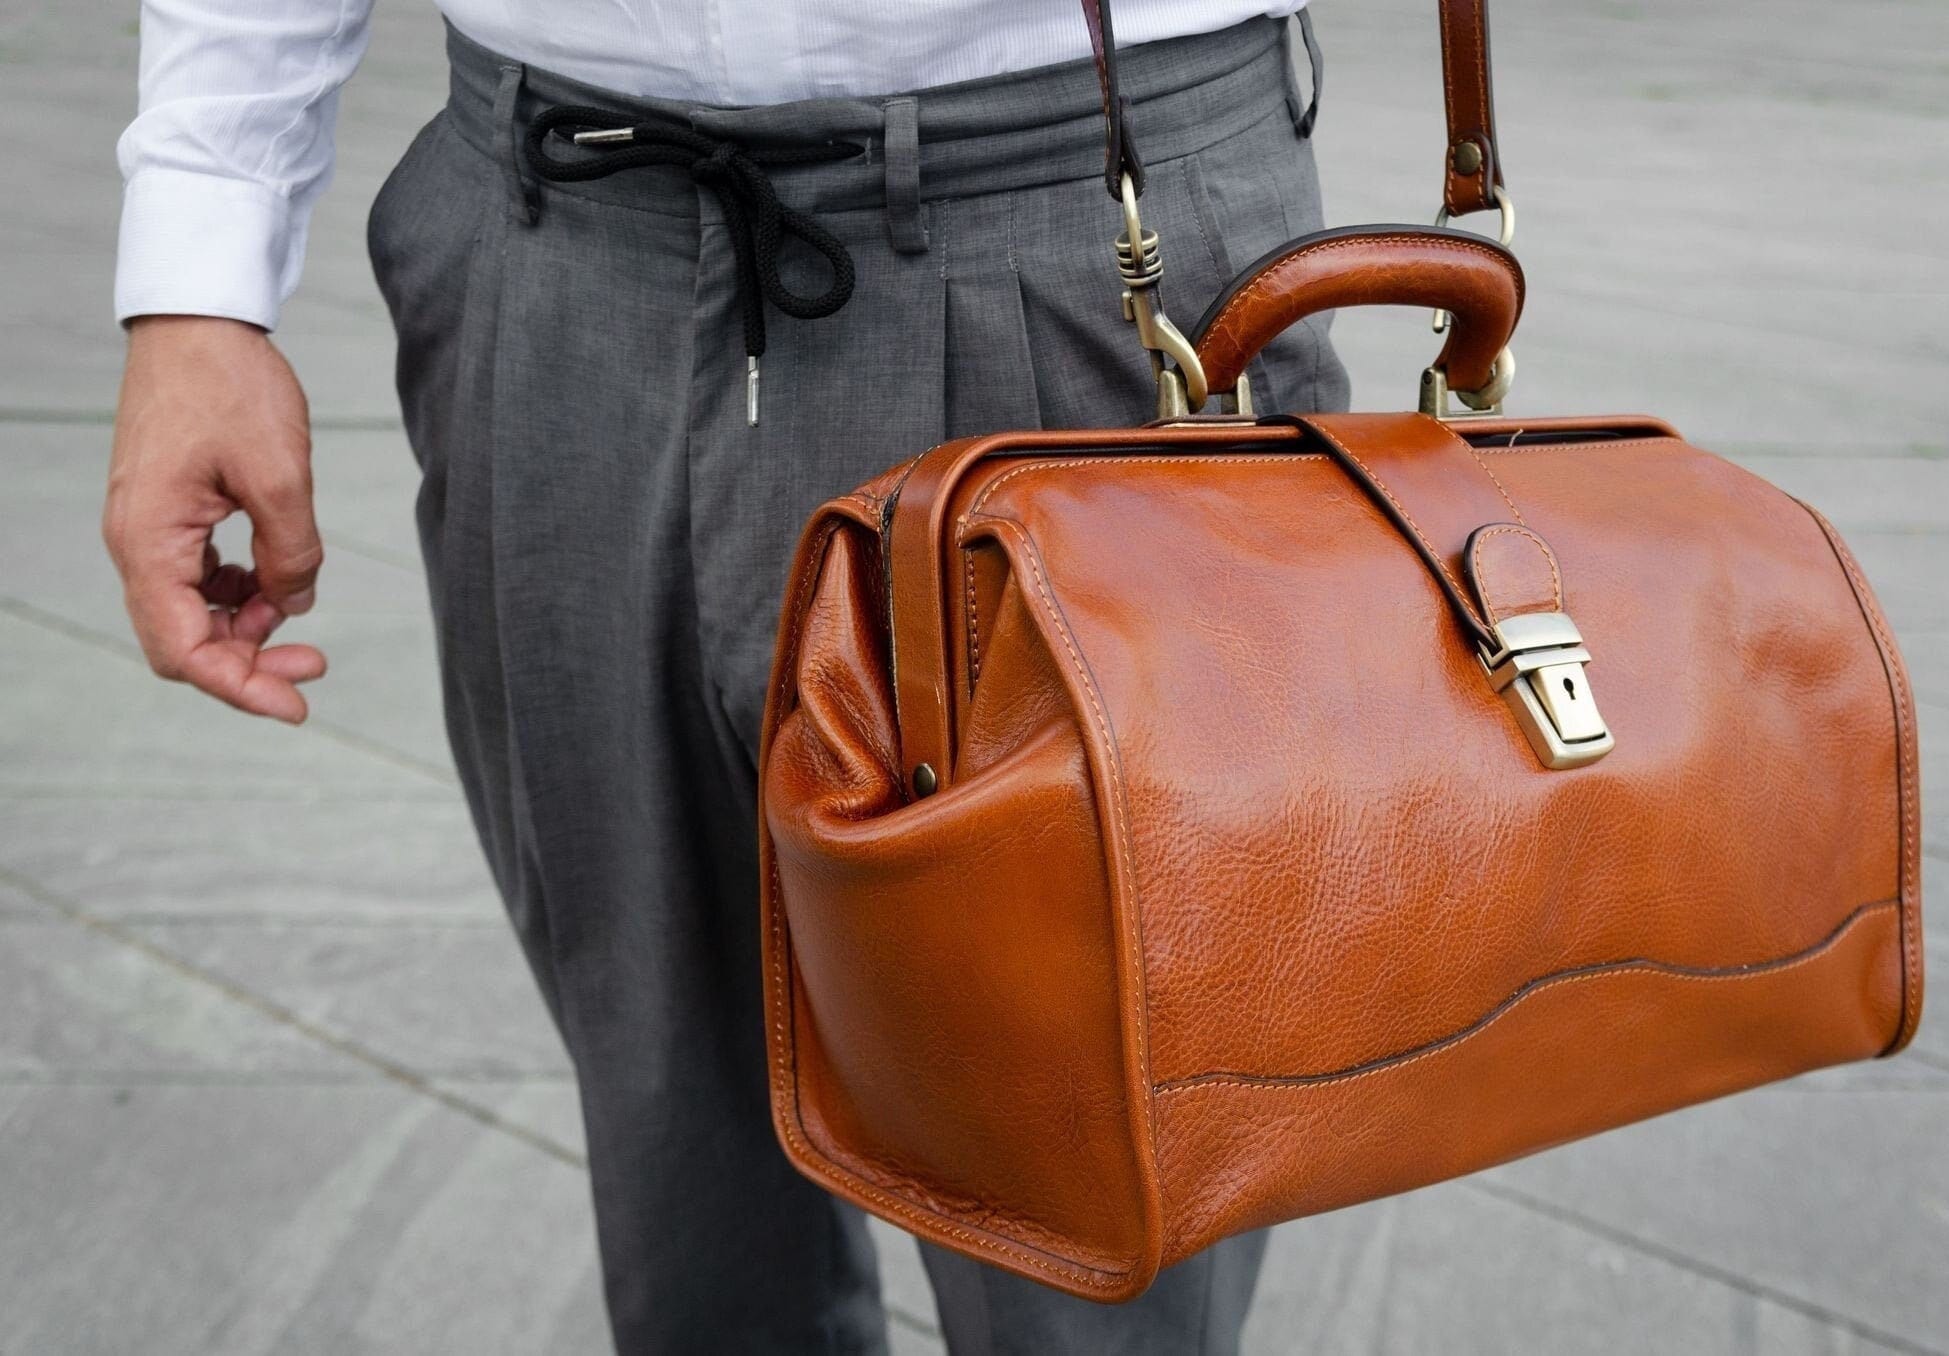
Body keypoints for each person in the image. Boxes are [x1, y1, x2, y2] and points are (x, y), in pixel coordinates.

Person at [104, 2, 1347, 1350]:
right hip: (560, 218)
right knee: (682, 1188)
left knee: (1098, 1243)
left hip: (1084, 233)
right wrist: (199, 263)